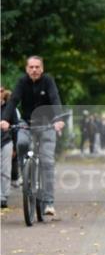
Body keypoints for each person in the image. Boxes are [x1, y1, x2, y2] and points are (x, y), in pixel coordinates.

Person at [1, 56, 66, 217]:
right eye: (31, 67)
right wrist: (5, 119)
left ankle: (48, 203)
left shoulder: (48, 81)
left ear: (42, 69)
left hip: (47, 125)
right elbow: (13, 101)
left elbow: (55, 99)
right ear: (27, 69)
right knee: (22, 143)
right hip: (27, 123)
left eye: (37, 67)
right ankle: (26, 174)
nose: (34, 70)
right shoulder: (22, 82)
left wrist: (58, 119)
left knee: (47, 162)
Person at [1, 87, 14, 209]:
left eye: (1, 91)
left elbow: (16, 125)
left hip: (6, 141)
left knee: (5, 171)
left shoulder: (9, 108)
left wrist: (15, 147)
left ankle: (4, 197)